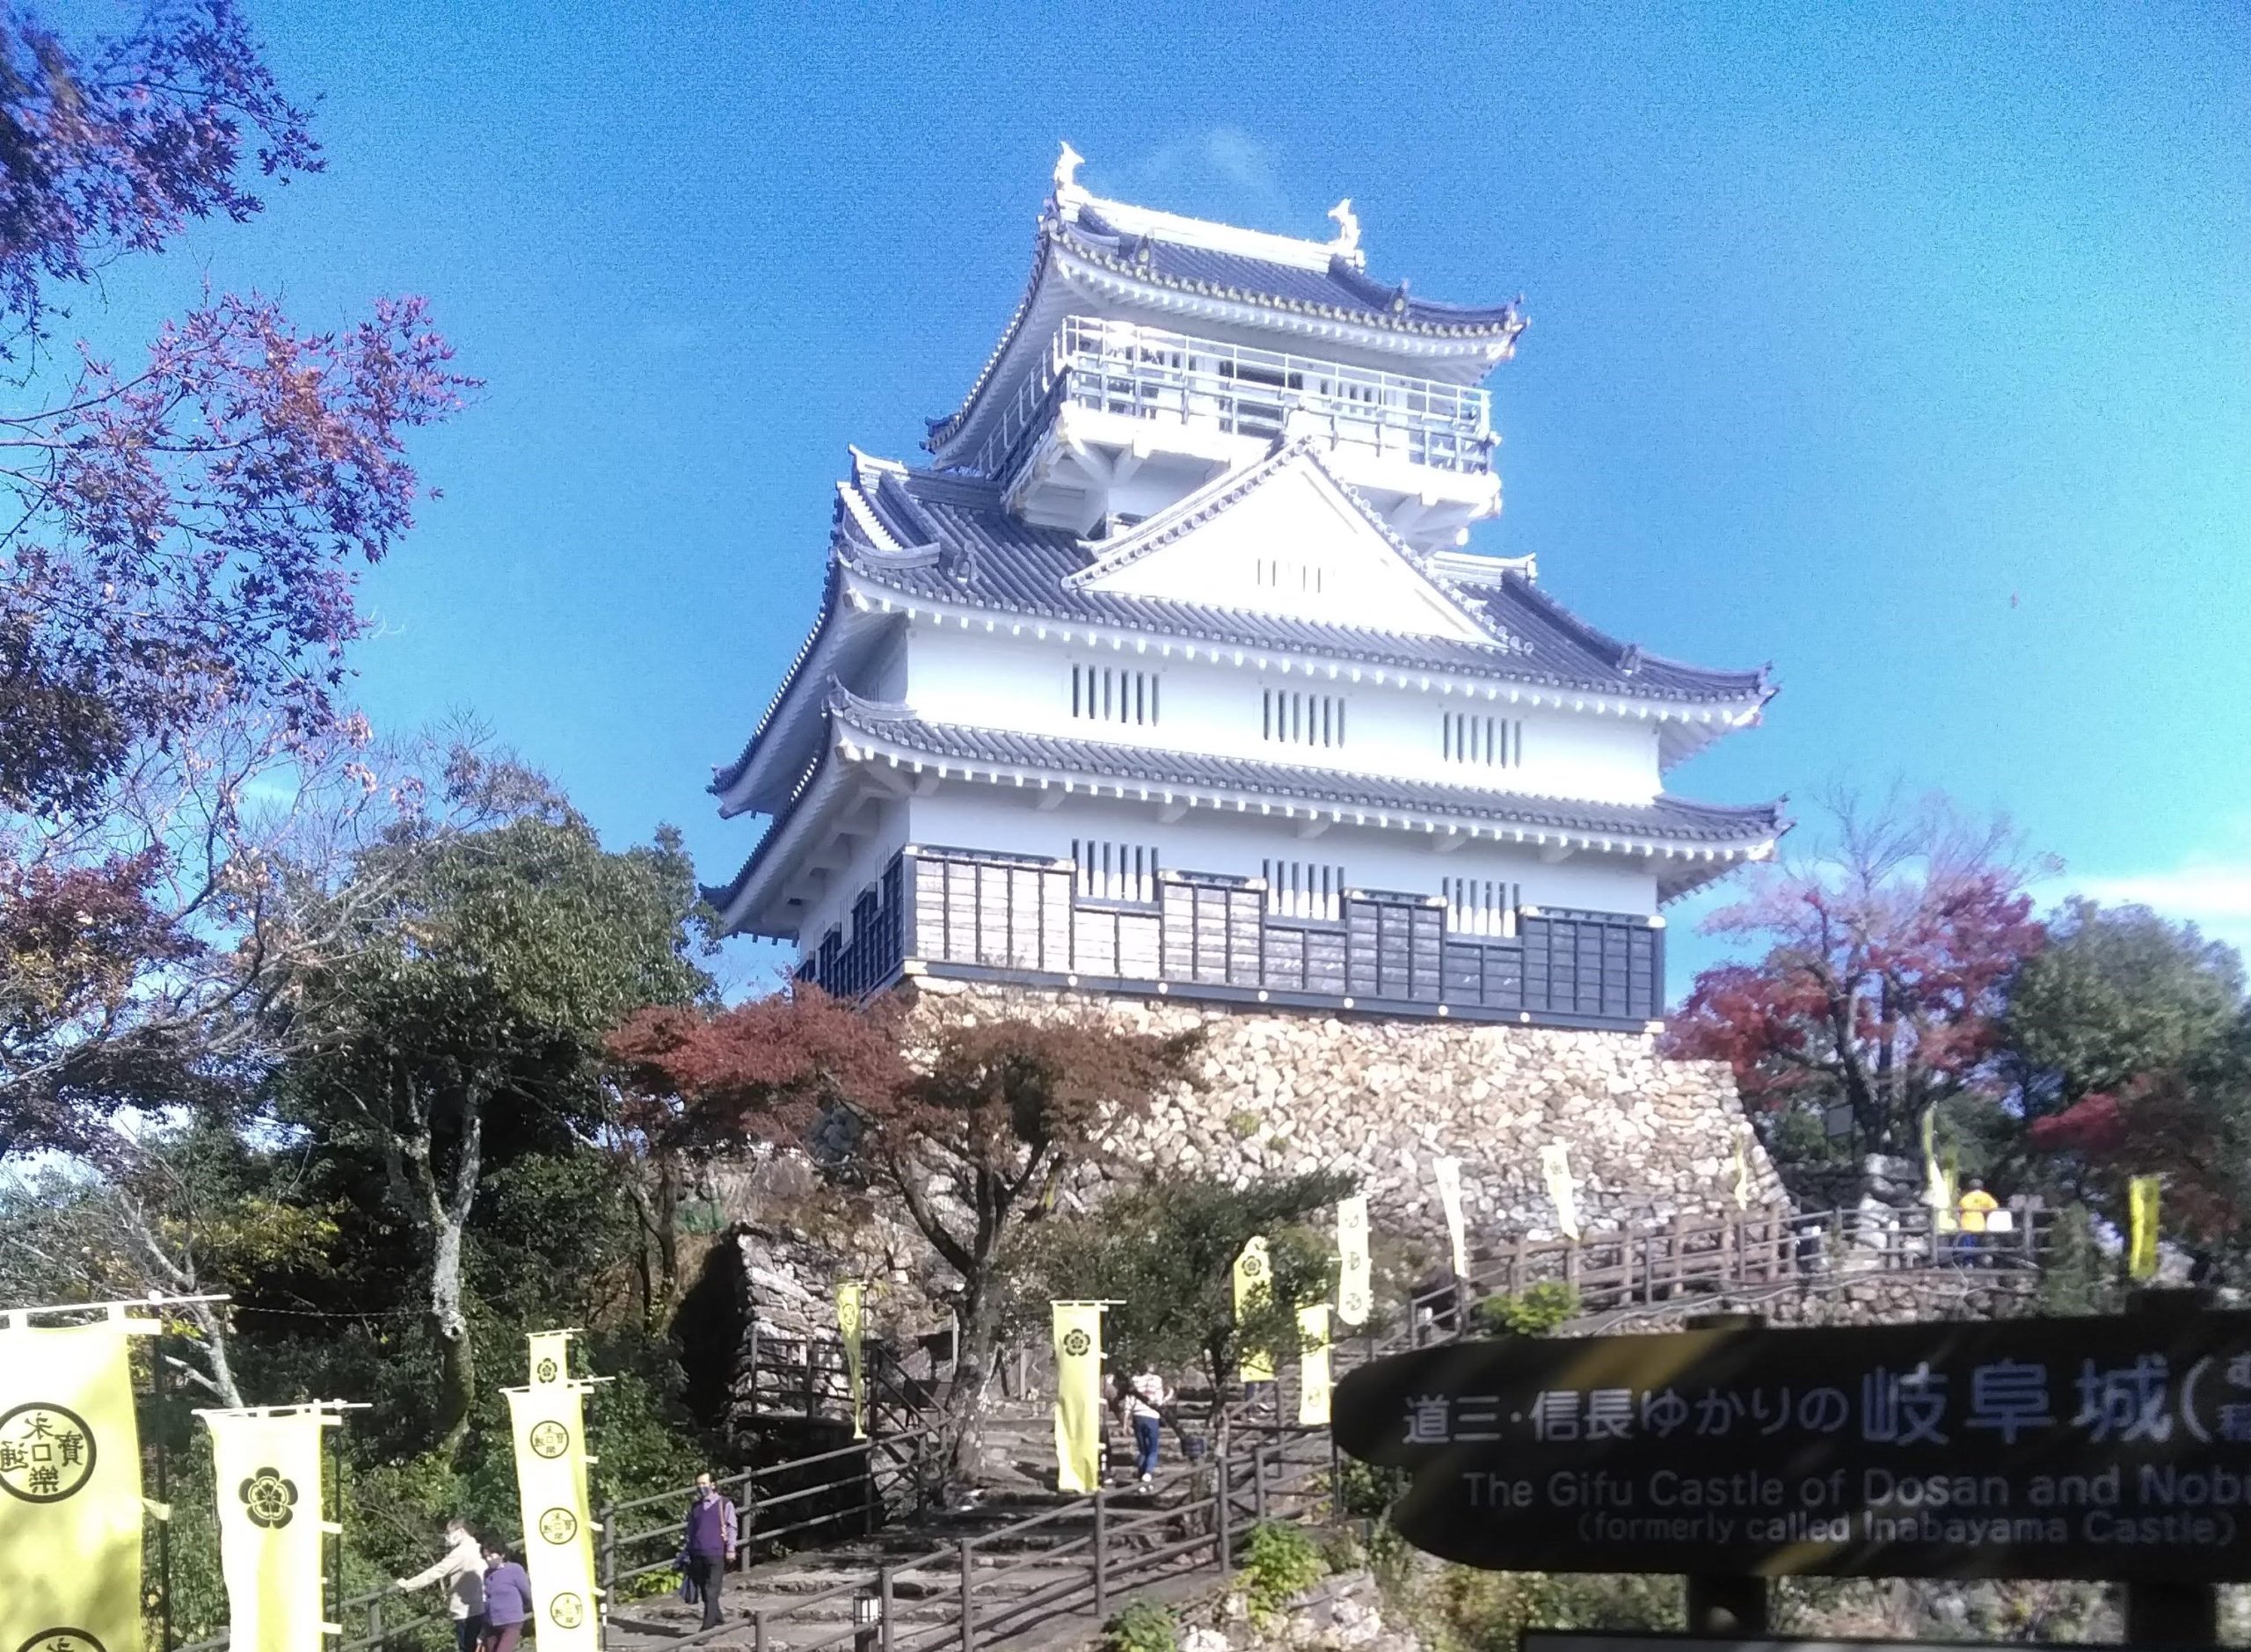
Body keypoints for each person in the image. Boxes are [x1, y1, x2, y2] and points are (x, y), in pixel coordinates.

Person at [396, 1518, 486, 1652]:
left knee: (467, 1647)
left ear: (461, 1531)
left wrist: (409, 1585)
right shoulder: (478, 1547)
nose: (448, 1537)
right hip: (482, 1605)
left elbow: (437, 1571)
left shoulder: (461, 1552)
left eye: (450, 1533)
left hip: (466, 1612)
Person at [681, 1472, 739, 1631]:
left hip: (715, 1552)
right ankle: (718, 1618)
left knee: (712, 1589)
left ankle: (707, 1629)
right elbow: (690, 1531)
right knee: (704, 1589)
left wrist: (731, 1549)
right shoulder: (695, 1507)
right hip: (697, 1553)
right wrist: (687, 1551)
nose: (701, 1487)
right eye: (698, 1484)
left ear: (713, 1484)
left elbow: (731, 1527)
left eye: (704, 1483)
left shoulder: (724, 1503)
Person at [1121, 1367, 1168, 1492]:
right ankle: (1148, 1474)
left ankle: (1142, 1482)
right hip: (1152, 1415)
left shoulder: (1135, 1380)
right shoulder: (1157, 1380)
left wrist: (1125, 1422)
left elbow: (1129, 1401)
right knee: (1153, 1449)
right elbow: (1159, 1400)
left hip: (1138, 1416)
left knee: (1143, 1450)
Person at [478, 1543, 531, 1652]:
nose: (488, 1559)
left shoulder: (515, 1570)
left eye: (491, 1555)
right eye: (485, 1557)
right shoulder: (487, 1574)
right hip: (492, 1623)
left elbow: (526, 1593)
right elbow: (488, 1600)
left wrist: (524, 1608)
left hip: (511, 1622)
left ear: (502, 1554)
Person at [1957, 1177, 1999, 1265]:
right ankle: (1978, 1263)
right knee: (1979, 1245)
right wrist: (1984, 1211)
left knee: (1967, 1246)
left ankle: (1968, 1263)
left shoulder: (1966, 1198)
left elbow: (1961, 1209)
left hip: (1967, 1225)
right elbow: (1994, 1206)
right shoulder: (1986, 1196)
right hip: (1980, 1225)